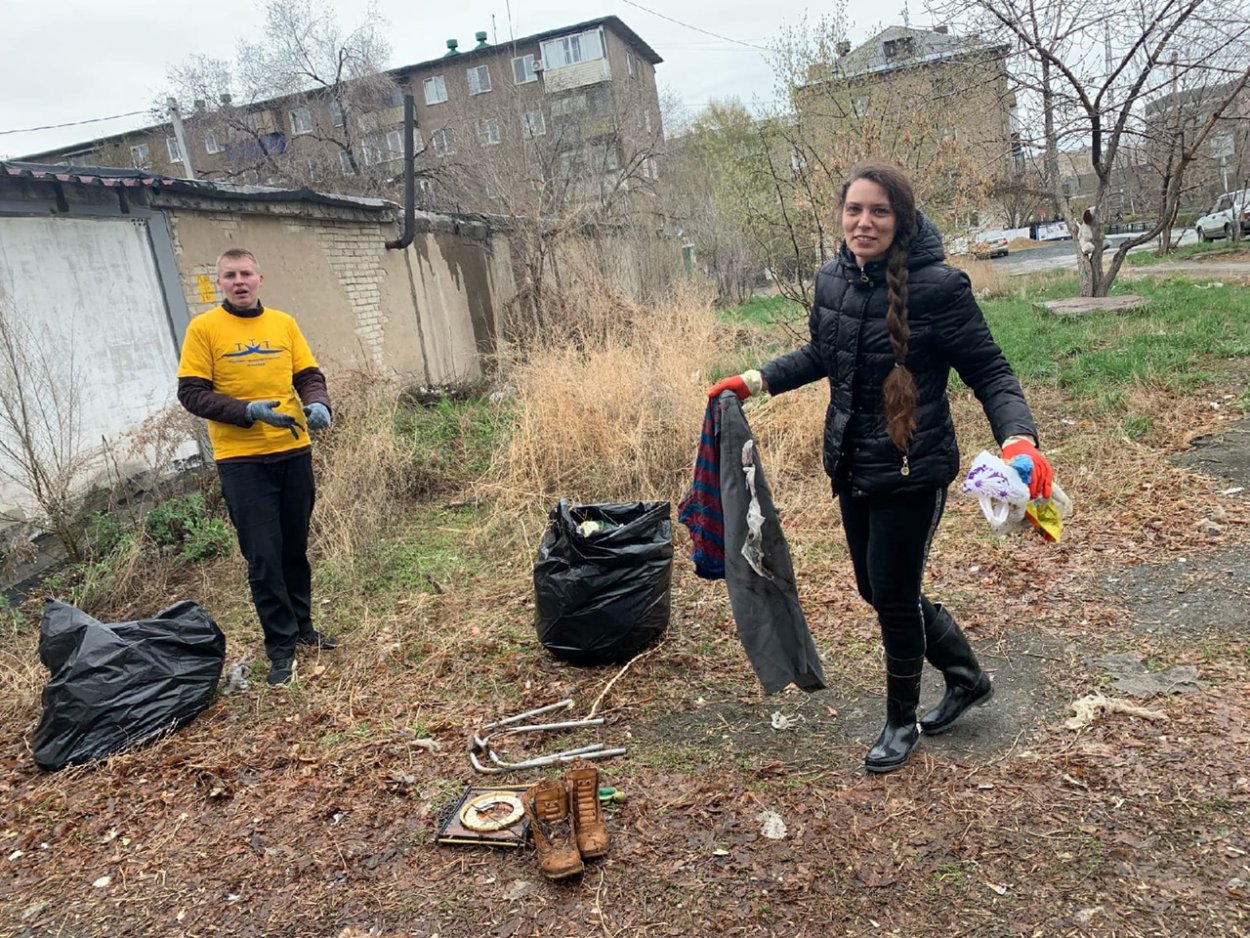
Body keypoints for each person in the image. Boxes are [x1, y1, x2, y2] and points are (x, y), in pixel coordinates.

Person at [708, 163, 1052, 773]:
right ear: (841, 217)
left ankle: (901, 720)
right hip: (851, 461)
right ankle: (967, 676)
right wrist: (755, 380)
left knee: (891, 595)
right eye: (854, 211)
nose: (864, 223)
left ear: (902, 220)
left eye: (879, 212)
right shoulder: (831, 280)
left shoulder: (941, 289)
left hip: (912, 468)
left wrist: (1019, 440)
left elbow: (991, 372)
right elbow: (823, 351)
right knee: (877, 587)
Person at [177, 248, 339, 686]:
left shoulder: (283, 323)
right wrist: (247, 410)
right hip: (242, 460)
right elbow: (191, 393)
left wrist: (317, 402)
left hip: (292, 451)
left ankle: (304, 628)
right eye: (230, 275)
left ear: (260, 279)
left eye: (246, 273)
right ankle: (280, 646)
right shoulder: (204, 329)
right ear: (220, 283)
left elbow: (307, 373)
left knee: (294, 547)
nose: (239, 281)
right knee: (264, 557)